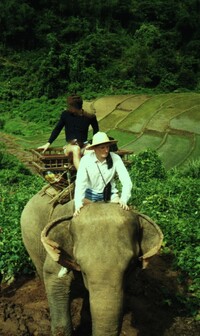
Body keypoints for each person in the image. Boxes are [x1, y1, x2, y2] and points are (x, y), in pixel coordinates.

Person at [73, 132, 133, 216]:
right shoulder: (85, 160)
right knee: (79, 214)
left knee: (120, 212)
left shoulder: (115, 158)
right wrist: (78, 204)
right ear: (94, 148)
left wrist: (123, 199)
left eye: (107, 147)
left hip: (110, 195)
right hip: (90, 195)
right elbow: (80, 184)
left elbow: (127, 181)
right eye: (102, 147)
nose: (106, 150)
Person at [38, 94, 99, 169]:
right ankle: (82, 176)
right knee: (76, 149)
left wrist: (93, 144)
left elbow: (96, 131)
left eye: (69, 106)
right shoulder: (66, 115)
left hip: (83, 145)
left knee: (92, 153)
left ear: (74, 107)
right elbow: (57, 129)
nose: (68, 107)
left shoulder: (89, 117)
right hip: (70, 147)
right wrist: (48, 143)